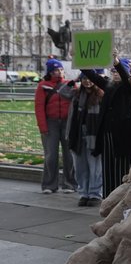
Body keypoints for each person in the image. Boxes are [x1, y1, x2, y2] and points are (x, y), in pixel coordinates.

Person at [80, 52, 131, 197]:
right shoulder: (109, 85)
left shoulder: (129, 86)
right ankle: (108, 198)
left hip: (123, 136)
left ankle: (121, 200)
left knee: (121, 170)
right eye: (112, 70)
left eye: (117, 71)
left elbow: (126, 79)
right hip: (108, 134)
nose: (114, 73)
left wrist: (117, 63)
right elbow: (93, 76)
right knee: (108, 169)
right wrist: (79, 59)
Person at [60, 71, 104, 206]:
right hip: (78, 135)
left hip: (94, 136)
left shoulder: (101, 95)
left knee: (95, 167)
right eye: (84, 79)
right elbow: (62, 92)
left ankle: (95, 194)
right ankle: (84, 193)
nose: (88, 82)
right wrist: (73, 81)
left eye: (90, 79)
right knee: (80, 167)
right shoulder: (77, 94)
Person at [34, 59, 76, 194]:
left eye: (61, 70)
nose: (59, 72)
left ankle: (69, 184)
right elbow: (39, 108)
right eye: (56, 70)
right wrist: (43, 127)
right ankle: (49, 185)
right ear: (50, 72)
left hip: (67, 123)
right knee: (51, 155)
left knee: (69, 155)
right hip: (50, 123)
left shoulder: (69, 85)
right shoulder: (43, 86)